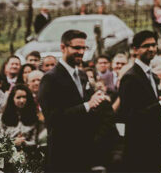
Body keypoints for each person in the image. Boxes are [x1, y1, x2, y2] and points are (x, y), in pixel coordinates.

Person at [38, 29, 109, 172]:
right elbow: (53, 118)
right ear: (63, 47)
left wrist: (97, 102)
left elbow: (88, 108)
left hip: (84, 150)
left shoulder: (82, 76)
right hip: (62, 153)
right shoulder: (50, 79)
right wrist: (87, 105)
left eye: (84, 48)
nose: (81, 52)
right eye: (76, 48)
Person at [119, 30, 161, 172]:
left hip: (155, 145)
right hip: (138, 147)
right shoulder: (131, 77)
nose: (152, 49)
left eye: (154, 45)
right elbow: (129, 115)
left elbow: (154, 109)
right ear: (135, 49)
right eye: (146, 46)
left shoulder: (153, 76)